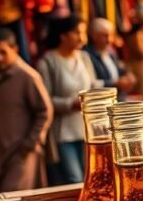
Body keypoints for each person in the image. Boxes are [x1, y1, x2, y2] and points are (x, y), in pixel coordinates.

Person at [0, 28, 53, 192]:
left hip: (20, 153)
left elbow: (44, 111)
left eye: (2, 52)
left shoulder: (27, 76)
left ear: (15, 49)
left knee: (11, 199)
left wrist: (30, 142)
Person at [37, 15, 98, 185]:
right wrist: (69, 104)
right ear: (63, 36)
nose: (82, 38)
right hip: (63, 133)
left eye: (83, 33)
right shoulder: (48, 62)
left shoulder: (84, 58)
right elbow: (44, 100)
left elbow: (93, 85)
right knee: (74, 180)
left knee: (91, 178)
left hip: (87, 129)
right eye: (77, 33)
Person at [84, 18, 134, 100]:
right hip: (100, 101)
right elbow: (91, 83)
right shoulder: (86, 55)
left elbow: (120, 68)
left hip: (117, 99)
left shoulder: (110, 51)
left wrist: (128, 75)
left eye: (111, 35)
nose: (109, 40)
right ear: (94, 36)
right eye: (105, 36)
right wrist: (115, 83)